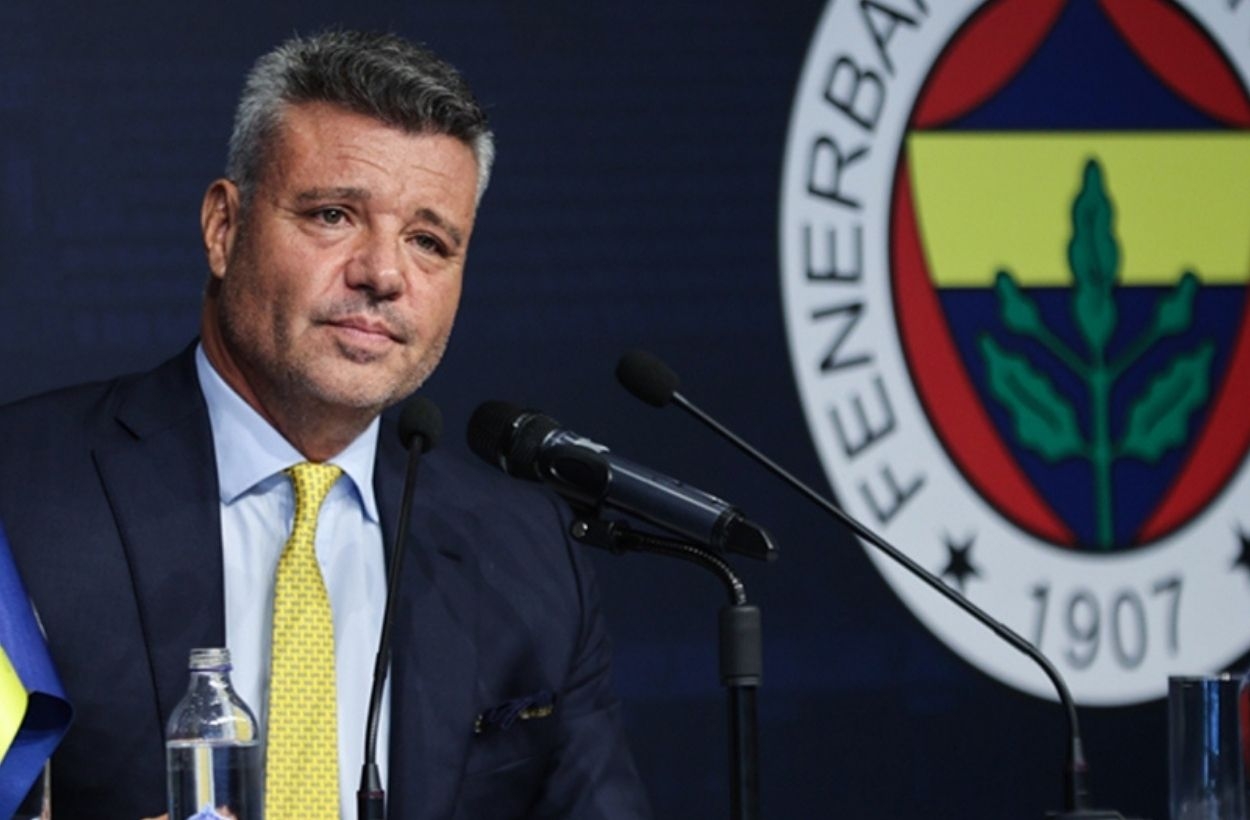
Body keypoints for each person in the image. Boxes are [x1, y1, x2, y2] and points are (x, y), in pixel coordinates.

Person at [0, 29, 652, 819]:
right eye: (334, 215)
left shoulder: (527, 558)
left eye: (428, 242)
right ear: (223, 227)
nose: (383, 274)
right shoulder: (21, 493)